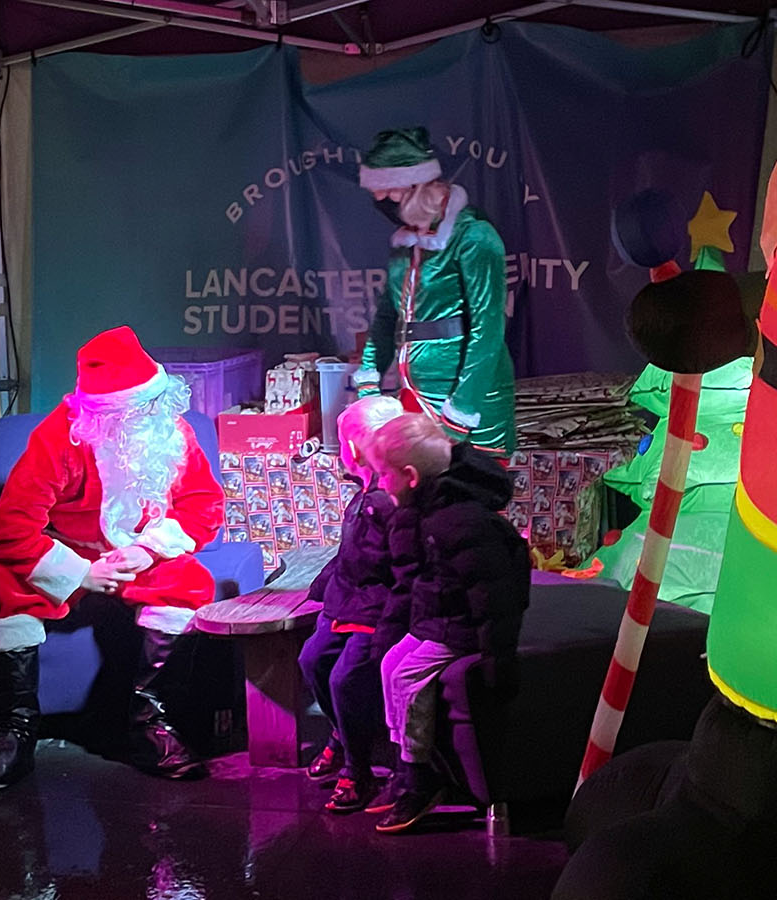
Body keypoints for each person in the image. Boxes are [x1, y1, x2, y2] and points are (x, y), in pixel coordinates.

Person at [0, 326, 224, 790]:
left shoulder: (172, 430)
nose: (150, 414)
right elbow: (9, 530)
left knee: (191, 582)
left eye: (153, 403)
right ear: (103, 414)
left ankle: (151, 726)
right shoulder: (59, 439)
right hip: (71, 554)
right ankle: (14, 731)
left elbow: (204, 507)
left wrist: (147, 551)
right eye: (137, 408)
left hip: (141, 558)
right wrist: (81, 572)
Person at [368, 414, 530, 833]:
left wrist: (498, 657)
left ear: (410, 476)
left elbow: (492, 593)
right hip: (438, 617)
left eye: (383, 475)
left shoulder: (458, 521)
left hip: (460, 627)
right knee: (390, 665)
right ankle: (404, 764)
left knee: (406, 677)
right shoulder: (425, 508)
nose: (380, 484)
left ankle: (420, 777)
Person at [355, 127, 517, 456]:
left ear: (417, 187)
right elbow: (388, 315)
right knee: (423, 498)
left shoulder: (474, 238)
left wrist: (460, 413)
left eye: (389, 193)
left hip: (469, 406)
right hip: (414, 398)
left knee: (469, 499)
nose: (380, 203)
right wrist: (369, 382)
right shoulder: (405, 243)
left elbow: (487, 329)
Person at [297, 395, 407, 812]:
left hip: (376, 607)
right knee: (313, 659)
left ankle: (359, 770)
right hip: (348, 598)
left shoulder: (388, 500)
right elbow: (350, 555)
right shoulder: (364, 493)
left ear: (356, 448)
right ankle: (342, 734)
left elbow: (385, 564)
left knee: (346, 678)